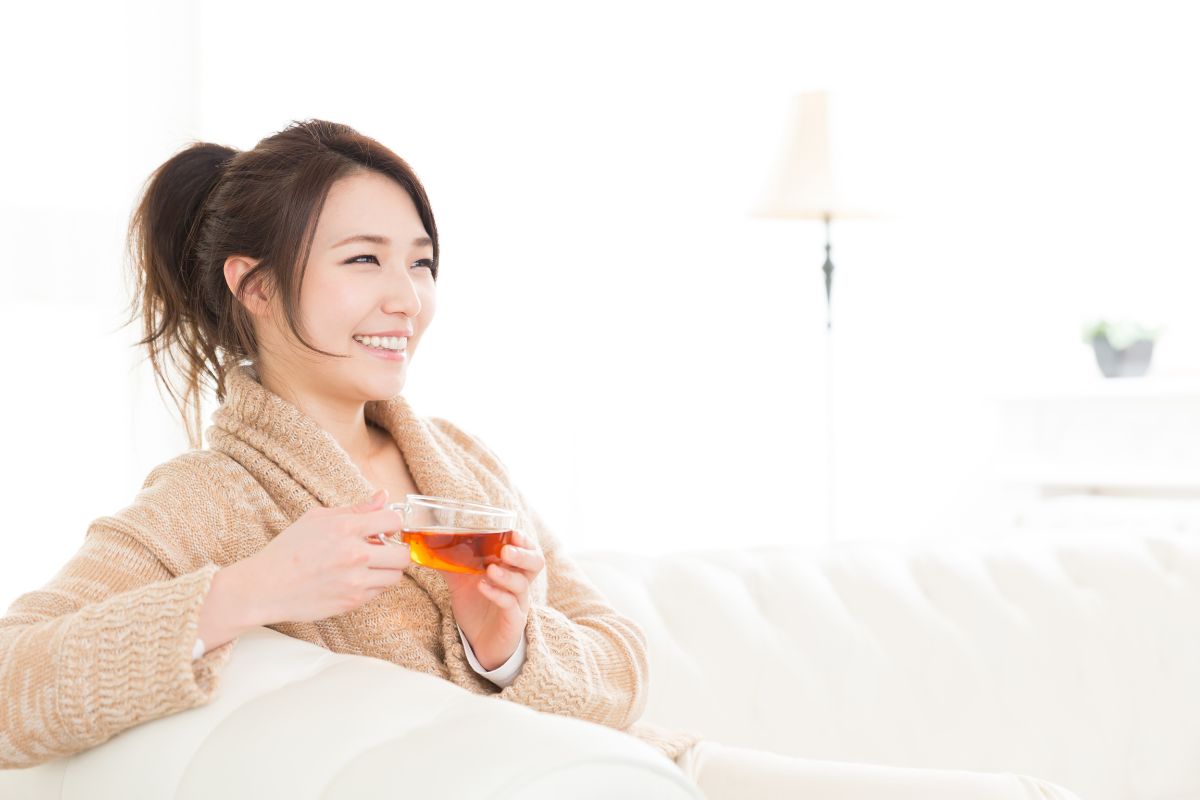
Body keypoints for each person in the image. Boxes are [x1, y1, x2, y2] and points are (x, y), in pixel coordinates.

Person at [0, 119, 1080, 800]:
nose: (405, 298)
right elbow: (15, 685)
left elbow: (617, 655)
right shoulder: (210, 498)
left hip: (651, 763)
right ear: (256, 285)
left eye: (420, 262)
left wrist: (505, 641)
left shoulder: (455, 457)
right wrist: (246, 590)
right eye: (362, 260)